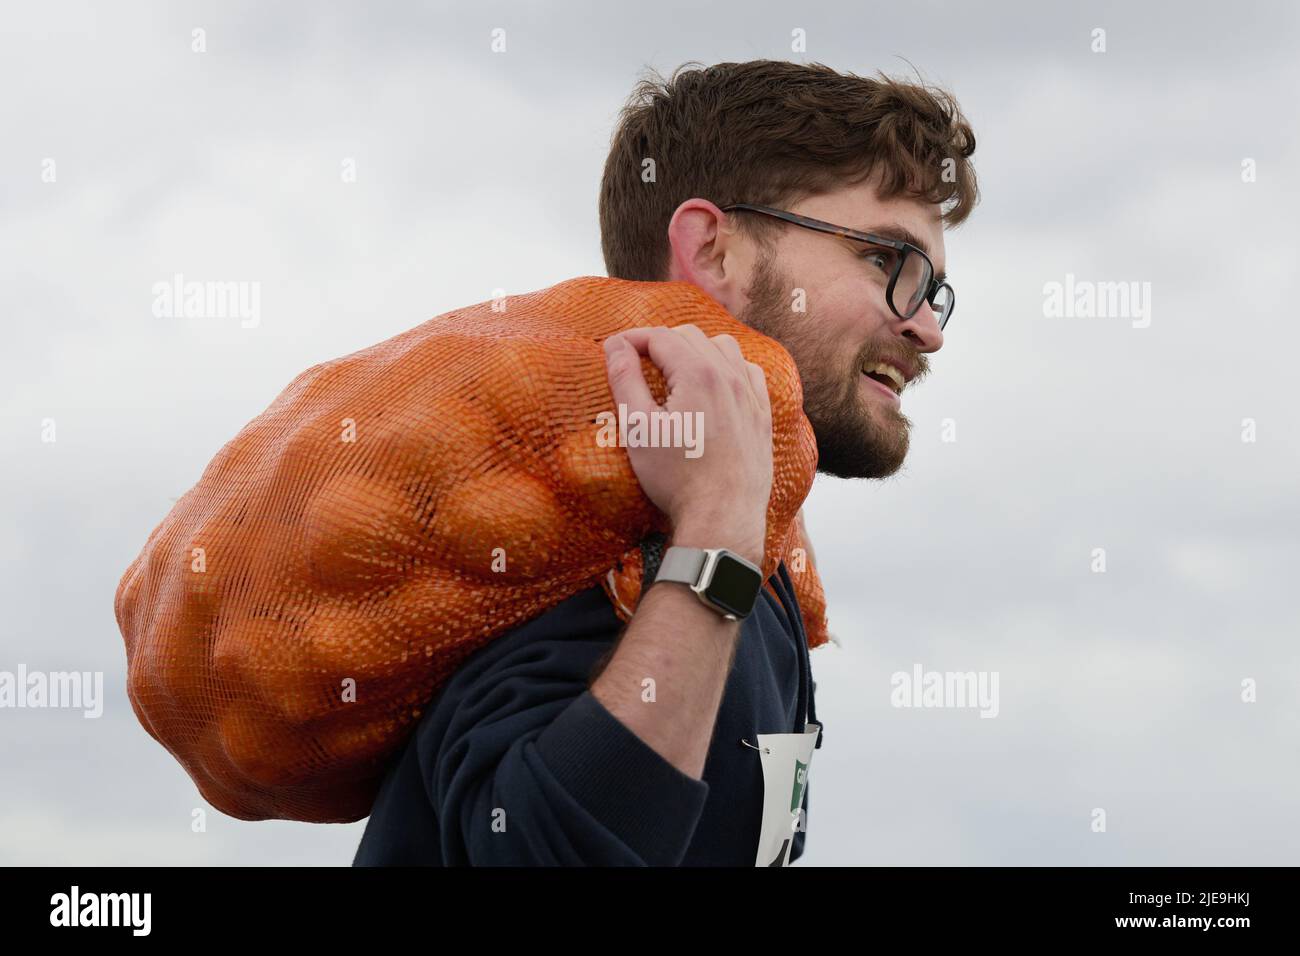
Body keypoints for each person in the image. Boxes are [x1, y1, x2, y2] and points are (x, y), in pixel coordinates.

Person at [352, 59, 978, 866]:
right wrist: (715, 532)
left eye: (936, 290)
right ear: (712, 251)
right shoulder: (568, 492)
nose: (928, 327)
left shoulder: (749, 534)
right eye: (889, 261)